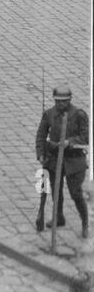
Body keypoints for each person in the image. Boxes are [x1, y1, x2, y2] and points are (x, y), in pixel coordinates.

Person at [35, 86, 89, 237]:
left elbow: (86, 137)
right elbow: (40, 135)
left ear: (70, 100)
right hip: (53, 158)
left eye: (64, 102)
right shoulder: (49, 114)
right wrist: (40, 154)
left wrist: (69, 142)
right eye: (58, 101)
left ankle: (85, 223)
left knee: (76, 192)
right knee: (55, 190)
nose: (61, 105)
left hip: (74, 159)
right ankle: (59, 217)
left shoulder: (79, 115)